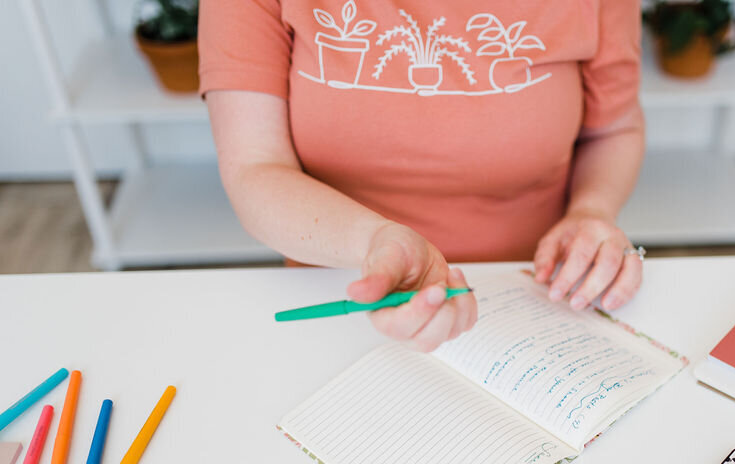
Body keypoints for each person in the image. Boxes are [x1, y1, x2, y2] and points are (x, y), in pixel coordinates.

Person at [200, 0, 645, 351]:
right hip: (340, 290)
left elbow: (613, 130)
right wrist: (376, 242)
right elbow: (255, 168)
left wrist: (591, 209)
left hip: (538, 295)